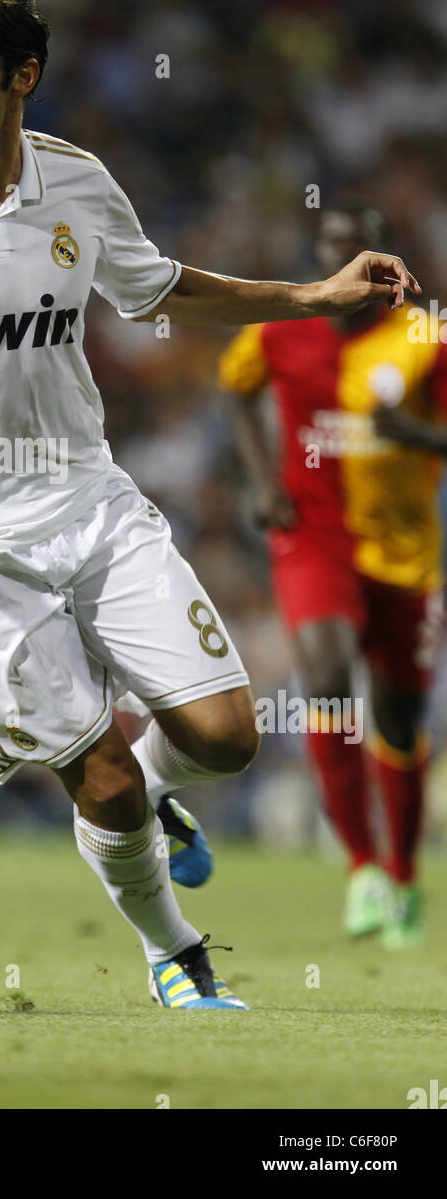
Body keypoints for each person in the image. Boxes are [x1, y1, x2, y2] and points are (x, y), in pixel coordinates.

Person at [0, 0, 417, 1007]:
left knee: (225, 737)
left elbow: (162, 288)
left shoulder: (77, 183)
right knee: (104, 780)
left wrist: (310, 296)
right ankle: (174, 956)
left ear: (21, 76)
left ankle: (165, 804)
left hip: (88, 501)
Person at [219, 199, 442, 948]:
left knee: (400, 719)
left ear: (386, 268)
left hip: (406, 554)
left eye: (356, 250)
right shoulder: (283, 325)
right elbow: (235, 389)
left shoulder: (424, 334)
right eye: (327, 247)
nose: (338, 261)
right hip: (313, 538)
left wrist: (408, 433)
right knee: (323, 676)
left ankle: (403, 876)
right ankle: (361, 869)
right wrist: (262, 482)